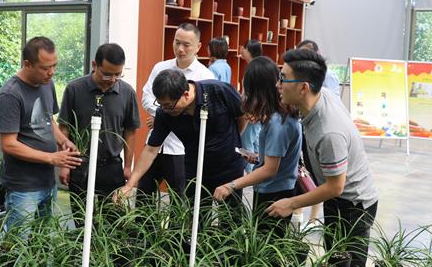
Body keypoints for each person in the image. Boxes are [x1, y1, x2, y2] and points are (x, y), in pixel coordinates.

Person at [266, 48, 379, 267]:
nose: (278, 85)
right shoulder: (322, 95)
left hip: (352, 204)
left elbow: (335, 186)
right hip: (339, 198)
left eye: (283, 78)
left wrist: (291, 204)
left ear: (303, 87)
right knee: (334, 260)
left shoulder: (328, 132)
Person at [118, 70, 247, 219]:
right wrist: (129, 185)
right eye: (160, 104)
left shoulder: (219, 90)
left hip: (228, 167)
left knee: (230, 219)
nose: (164, 109)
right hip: (194, 171)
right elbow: (151, 150)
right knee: (196, 219)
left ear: (185, 95)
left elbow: (241, 116)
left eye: (168, 105)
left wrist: (229, 140)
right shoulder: (164, 114)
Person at [0, 36, 82, 235]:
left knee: (40, 241)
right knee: (17, 243)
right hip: (23, 187)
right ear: (27, 64)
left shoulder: (47, 84)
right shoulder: (10, 95)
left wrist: (63, 141)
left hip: (47, 182)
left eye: (54, 65)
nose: (51, 72)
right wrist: (51, 158)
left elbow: (48, 119)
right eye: (45, 68)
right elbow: (9, 144)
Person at [213, 57, 301, 237]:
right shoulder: (279, 114)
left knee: (266, 244)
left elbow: (270, 170)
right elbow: (276, 159)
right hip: (275, 189)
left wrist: (231, 185)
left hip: (274, 194)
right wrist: (259, 157)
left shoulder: (278, 122)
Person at [58, 43, 140, 226]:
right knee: (81, 221)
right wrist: (64, 164)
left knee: (112, 222)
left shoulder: (127, 92)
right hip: (80, 165)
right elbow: (64, 128)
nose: (113, 79)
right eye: (107, 74)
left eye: (118, 74)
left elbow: (130, 131)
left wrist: (128, 166)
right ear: (95, 65)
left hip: (112, 166)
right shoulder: (74, 89)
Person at [138, 23, 215, 201]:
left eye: (186, 45)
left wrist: (165, 118)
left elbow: (204, 114)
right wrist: (162, 114)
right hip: (154, 145)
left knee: (179, 199)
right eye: (177, 42)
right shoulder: (160, 67)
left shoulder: (205, 76)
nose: (180, 49)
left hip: (181, 149)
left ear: (198, 46)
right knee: (143, 195)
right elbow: (146, 97)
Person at [295, 39, 340, 224]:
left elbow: (331, 102)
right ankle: (299, 214)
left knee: (319, 174)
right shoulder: (300, 75)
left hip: (318, 128)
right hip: (305, 126)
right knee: (303, 170)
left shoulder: (328, 76)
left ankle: (313, 219)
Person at [240, 39, 263, 173]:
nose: (242, 50)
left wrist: (252, 110)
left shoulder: (254, 68)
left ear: (250, 51)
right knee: (254, 141)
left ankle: (251, 174)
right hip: (255, 110)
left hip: (252, 111)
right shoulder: (254, 66)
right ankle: (256, 171)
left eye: (244, 48)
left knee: (247, 143)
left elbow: (255, 93)